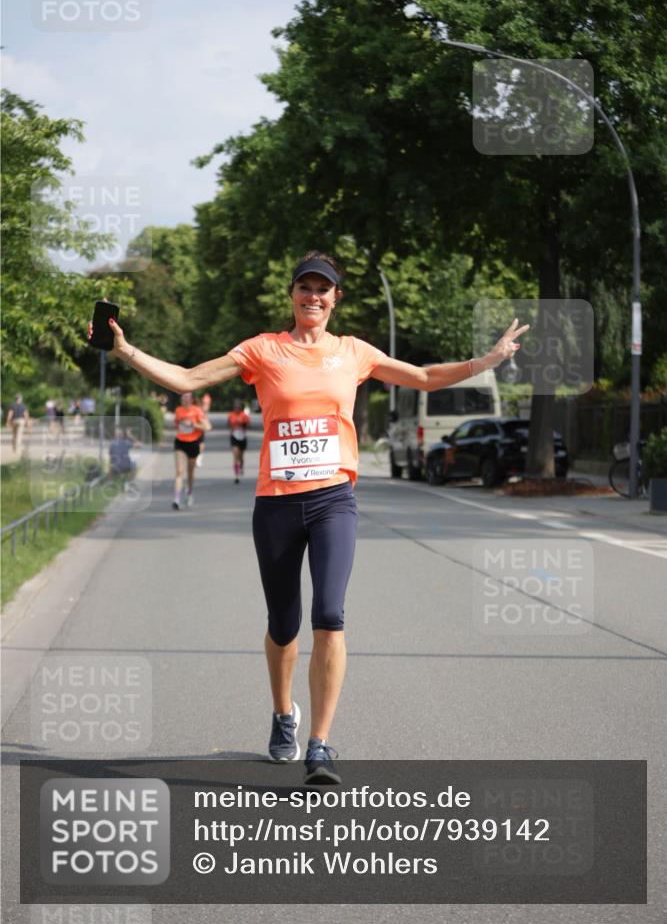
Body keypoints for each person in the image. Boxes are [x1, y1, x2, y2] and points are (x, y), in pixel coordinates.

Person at [92, 255, 527, 784]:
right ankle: (283, 714)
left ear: (335, 299)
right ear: (293, 295)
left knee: (330, 616)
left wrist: (486, 360)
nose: (314, 296)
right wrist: (124, 349)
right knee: (283, 625)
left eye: (324, 289)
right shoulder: (263, 349)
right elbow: (186, 379)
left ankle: (319, 745)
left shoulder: (353, 353)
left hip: (333, 501)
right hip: (276, 504)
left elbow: (423, 378)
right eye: (306, 287)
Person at [172, 391, 211, 508]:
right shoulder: (178, 410)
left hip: (193, 443)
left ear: (192, 399)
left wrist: (193, 425)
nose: (184, 399)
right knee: (179, 471)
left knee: (190, 472)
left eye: (187, 397)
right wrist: (180, 425)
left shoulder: (197, 410)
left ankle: (189, 492)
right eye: (183, 396)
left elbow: (208, 427)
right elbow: (177, 425)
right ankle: (176, 499)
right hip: (180, 442)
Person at [228, 397, 250, 484]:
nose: (236, 408)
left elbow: (248, 426)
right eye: (235, 407)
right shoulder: (231, 415)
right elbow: (229, 424)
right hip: (234, 436)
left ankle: (241, 467)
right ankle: (236, 475)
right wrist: (233, 427)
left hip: (242, 437)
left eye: (238, 407)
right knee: (235, 455)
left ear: (241, 407)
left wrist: (242, 424)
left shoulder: (244, 415)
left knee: (241, 457)